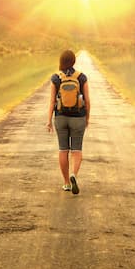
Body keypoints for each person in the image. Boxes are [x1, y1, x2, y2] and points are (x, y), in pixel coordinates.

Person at [45, 49, 90, 194]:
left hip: (61, 118)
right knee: (76, 150)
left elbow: (52, 101)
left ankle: (66, 183)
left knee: (63, 149)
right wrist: (87, 118)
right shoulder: (81, 77)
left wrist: (49, 121)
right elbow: (87, 101)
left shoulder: (56, 78)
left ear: (61, 61)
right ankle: (73, 175)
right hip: (78, 118)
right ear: (73, 61)